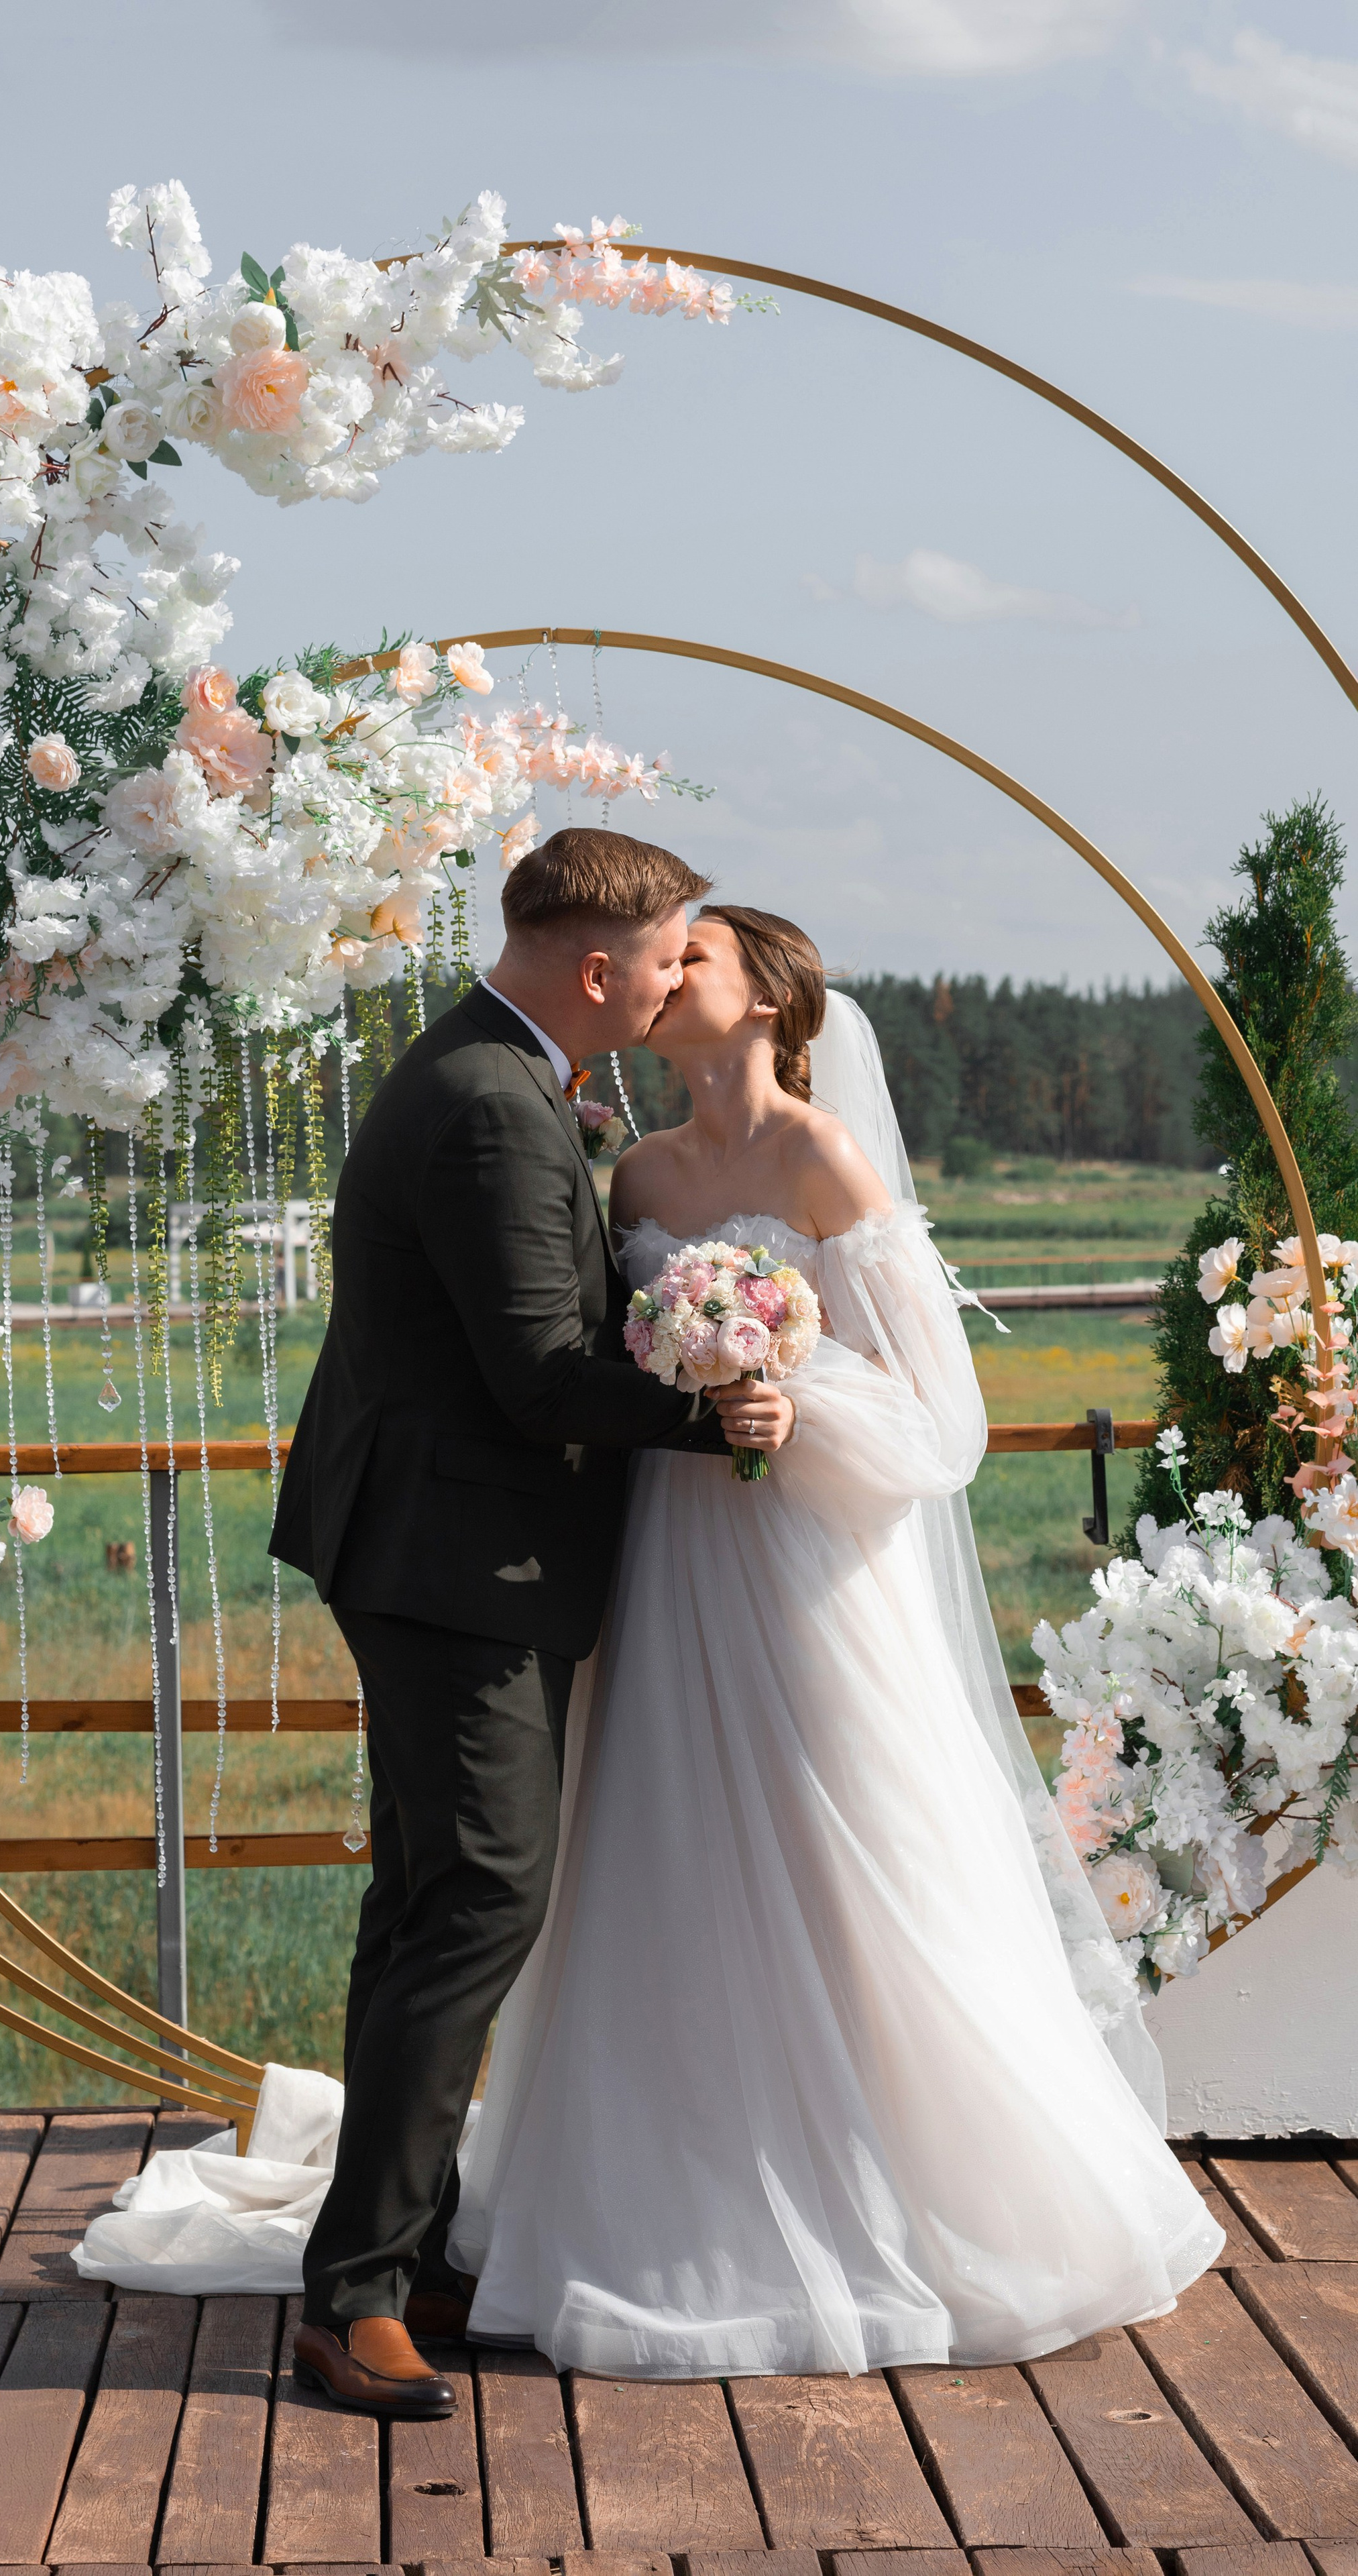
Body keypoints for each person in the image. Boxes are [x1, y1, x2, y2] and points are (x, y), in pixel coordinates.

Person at [445, 904, 1223, 2375]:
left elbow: (938, 1413)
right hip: (673, 1553)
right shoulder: (639, 1175)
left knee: (843, 1841)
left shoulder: (822, 1159)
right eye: (664, 962)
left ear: (765, 1005)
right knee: (662, 1847)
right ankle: (671, 2195)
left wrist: (789, 1400)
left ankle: (912, 2185)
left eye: (696, 964)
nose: (666, 981)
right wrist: (692, 1391)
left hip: (805, 1560)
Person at [264, 833, 792, 2418]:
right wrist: (731, 1419)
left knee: (428, 1897)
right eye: (659, 957)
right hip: (450, 1564)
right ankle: (352, 2297)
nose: (665, 980)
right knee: (484, 1893)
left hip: (431, 1549)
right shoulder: (495, 1105)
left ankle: (391, 2254)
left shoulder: (495, 1066)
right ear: (592, 968)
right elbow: (540, 1377)